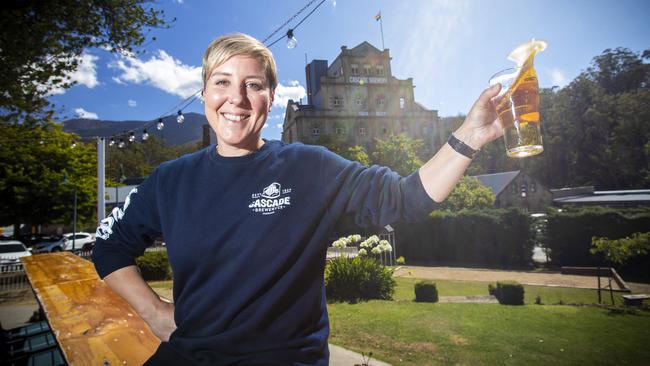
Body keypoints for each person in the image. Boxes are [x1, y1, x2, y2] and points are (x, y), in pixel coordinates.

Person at [92, 33, 503, 365]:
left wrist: (469, 136)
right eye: (222, 82)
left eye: (252, 85)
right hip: (190, 354)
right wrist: (154, 312)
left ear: (271, 99)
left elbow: (406, 197)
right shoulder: (170, 180)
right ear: (204, 95)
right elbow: (109, 246)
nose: (236, 98)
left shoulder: (308, 168)